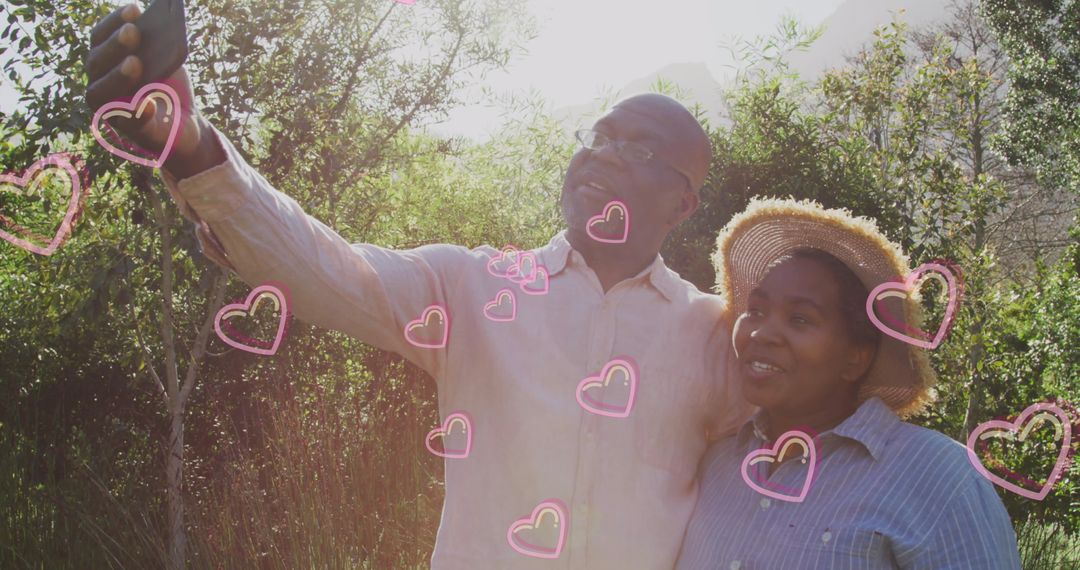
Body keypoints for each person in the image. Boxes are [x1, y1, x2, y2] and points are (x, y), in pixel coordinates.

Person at [85, 4, 751, 568]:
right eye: (598, 135)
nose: (604, 152)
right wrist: (190, 145)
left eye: (639, 150)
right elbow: (327, 270)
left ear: (684, 205)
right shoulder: (473, 286)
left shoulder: (717, 338)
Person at [676, 198, 1022, 569]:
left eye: (800, 319)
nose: (762, 333)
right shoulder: (715, 461)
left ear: (856, 357)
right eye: (756, 311)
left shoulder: (938, 478)